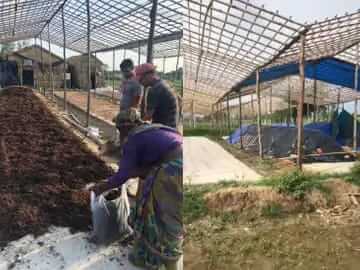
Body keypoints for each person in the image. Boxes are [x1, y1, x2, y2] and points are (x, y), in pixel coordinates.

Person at [91, 108, 183, 270]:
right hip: (181, 161)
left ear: (126, 127)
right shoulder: (154, 128)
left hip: (172, 171)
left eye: (120, 129)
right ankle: (162, 254)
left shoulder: (134, 139)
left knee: (156, 214)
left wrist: (101, 187)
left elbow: (122, 176)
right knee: (171, 212)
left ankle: (164, 260)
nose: (119, 132)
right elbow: (151, 161)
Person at [135, 63, 178, 128]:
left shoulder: (155, 90)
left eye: (141, 80)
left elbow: (148, 117)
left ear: (149, 75)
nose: (140, 83)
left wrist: (136, 125)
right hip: (171, 127)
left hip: (163, 129)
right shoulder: (163, 84)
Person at [114, 59, 143, 146]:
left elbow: (137, 97)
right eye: (122, 71)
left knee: (129, 130)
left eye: (126, 71)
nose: (124, 73)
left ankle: (127, 149)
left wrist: (132, 112)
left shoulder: (136, 82)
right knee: (121, 128)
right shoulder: (125, 80)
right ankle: (122, 146)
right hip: (123, 108)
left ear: (132, 68)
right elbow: (122, 93)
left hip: (130, 111)